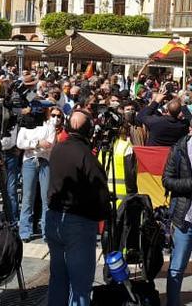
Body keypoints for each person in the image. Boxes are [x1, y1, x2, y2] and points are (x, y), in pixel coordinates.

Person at [46, 111, 111, 306]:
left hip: (55, 218)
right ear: (88, 131)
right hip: (78, 223)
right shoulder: (86, 156)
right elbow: (100, 193)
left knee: (58, 278)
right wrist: (103, 215)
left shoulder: (58, 149)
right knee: (81, 286)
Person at [16, 107, 56, 242]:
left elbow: (50, 144)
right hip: (29, 161)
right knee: (27, 197)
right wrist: (38, 143)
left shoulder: (49, 124)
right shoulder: (26, 124)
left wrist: (32, 145)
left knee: (46, 198)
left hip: (44, 161)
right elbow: (20, 143)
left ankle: (46, 232)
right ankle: (24, 231)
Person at [163, 128, 192, 306]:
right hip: (185, 220)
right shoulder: (179, 148)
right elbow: (166, 180)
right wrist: (190, 183)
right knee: (176, 268)